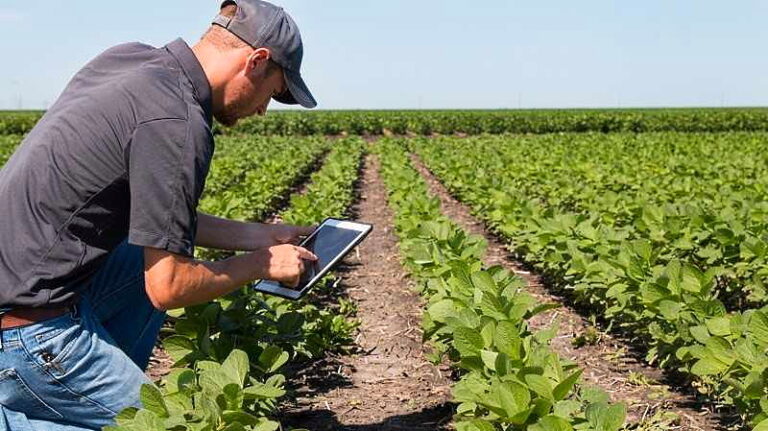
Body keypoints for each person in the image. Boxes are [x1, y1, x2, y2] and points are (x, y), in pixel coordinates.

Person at [0, 1, 318, 429]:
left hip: (19, 297)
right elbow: (169, 287)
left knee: (136, 256)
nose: (264, 110)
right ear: (257, 61)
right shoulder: (179, 122)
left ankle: (81, 402)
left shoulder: (130, 60)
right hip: (27, 334)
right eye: (275, 93)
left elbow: (162, 221)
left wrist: (262, 236)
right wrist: (263, 264)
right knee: (171, 424)